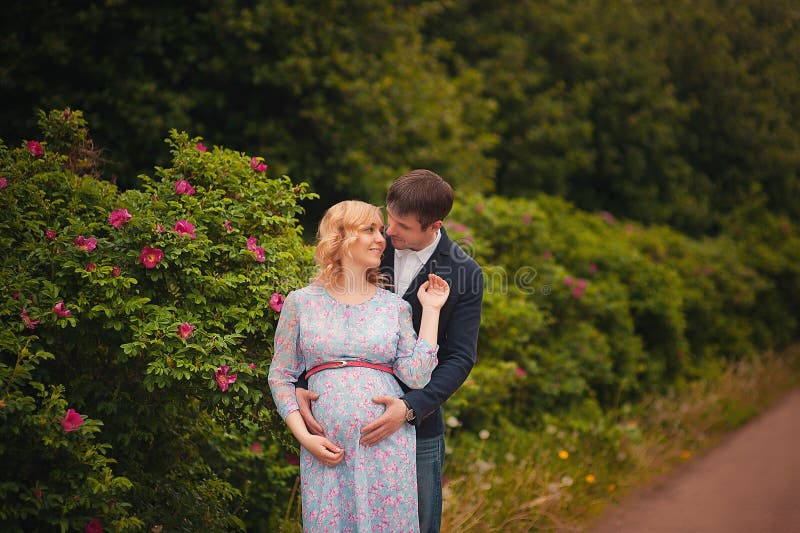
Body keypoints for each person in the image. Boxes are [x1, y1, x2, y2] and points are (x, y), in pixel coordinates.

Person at [297, 170, 484, 532]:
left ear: (434, 225)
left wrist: (411, 408)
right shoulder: (368, 248)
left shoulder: (464, 273)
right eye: (389, 218)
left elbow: (460, 357)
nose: (388, 232)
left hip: (419, 427)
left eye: (402, 226)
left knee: (418, 523)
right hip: (339, 430)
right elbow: (326, 318)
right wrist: (304, 385)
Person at [268, 200, 451, 532]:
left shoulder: (394, 307)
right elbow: (280, 375)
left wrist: (432, 309)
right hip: (326, 451)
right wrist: (304, 437)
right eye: (369, 230)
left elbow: (416, 375)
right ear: (340, 238)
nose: (381, 238)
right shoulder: (301, 302)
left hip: (387, 447)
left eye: (381, 230)